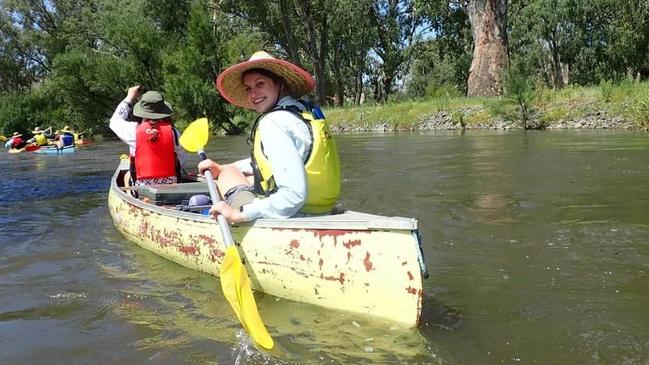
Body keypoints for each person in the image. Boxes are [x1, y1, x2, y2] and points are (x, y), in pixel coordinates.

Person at [198, 51, 340, 224]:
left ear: (279, 83)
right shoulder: (301, 113)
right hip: (322, 210)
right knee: (233, 172)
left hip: (295, 215)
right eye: (248, 88)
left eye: (260, 84)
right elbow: (276, 160)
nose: (253, 94)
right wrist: (222, 166)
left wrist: (238, 214)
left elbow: (294, 195)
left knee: (228, 176)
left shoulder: (273, 122)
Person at [110, 86, 186, 186]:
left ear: (141, 111)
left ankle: (132, 195)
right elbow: (181, 160)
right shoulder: (174, 133)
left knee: (126, 175)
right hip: (171, 186)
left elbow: (114, 121)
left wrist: (129, 98)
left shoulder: (133, 131)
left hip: (142, 189)